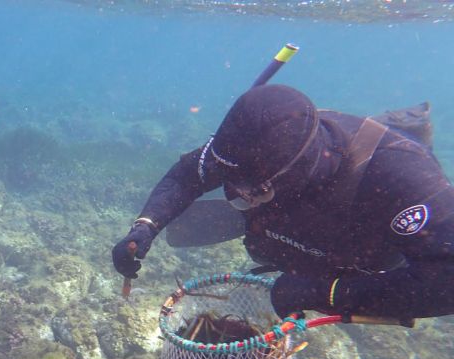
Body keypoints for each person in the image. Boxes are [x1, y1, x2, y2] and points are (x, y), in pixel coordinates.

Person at [112, 84, 454, 321]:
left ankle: (408, 123)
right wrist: (146, 226)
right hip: (299, 214)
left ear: (297, 173)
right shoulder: (245, 145)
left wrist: (327, 293)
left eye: (250, 193)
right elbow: (188, 175)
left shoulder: (400, 176)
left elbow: (447, 282)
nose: (234, 196)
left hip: (365, 241)